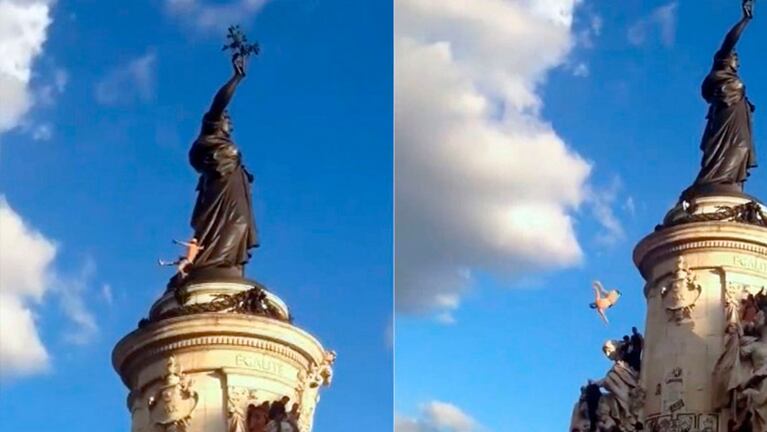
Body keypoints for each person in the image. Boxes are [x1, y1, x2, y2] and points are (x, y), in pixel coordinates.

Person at [185, 53, 259, 281]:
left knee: (240, 225)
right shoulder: (211, 131)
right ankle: (212, 262)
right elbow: (218, 103)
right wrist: (236, 79)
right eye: (228, 119)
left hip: (234, 198)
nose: (231, 123)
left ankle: (228, 264)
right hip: (219, 193)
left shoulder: (226, 145)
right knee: (227, 226)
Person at [685, 0, 756, 198]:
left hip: (738, 120)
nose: (737, 60)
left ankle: (730, 182)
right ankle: (714, 181)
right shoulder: (721, 67)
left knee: (742, 149)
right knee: (729, 149)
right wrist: (745, 20)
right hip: (726, 117)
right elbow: (729, 41)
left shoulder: (733, 79)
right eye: (735, 56)